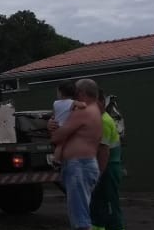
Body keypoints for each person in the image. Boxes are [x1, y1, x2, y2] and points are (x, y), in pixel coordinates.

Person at [48, 78, 103, 230]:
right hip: (84, 164)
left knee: (80, 217)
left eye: (75, 92)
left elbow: (58, 136)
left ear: (81, 93)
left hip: (79, 165)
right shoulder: (94, 109)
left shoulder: (83, 112)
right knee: (80, 211)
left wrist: (51, 128)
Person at [90, 89, 124, 230]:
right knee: (99, 205)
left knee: (109, 205)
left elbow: (103, 152)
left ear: (102, 102)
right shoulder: (100, 120)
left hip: (107, 169)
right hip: (107, 168)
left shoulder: (103, 121)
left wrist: (97, 174)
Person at [51, 81, 87, 166]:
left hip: (57, 127)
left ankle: (56, 159)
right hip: (66, 128)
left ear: (60, 92)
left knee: (59, 145)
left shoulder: (55, 103)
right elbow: (83, 106)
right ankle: (60, 159)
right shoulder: (72, 102)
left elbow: (54, 115)